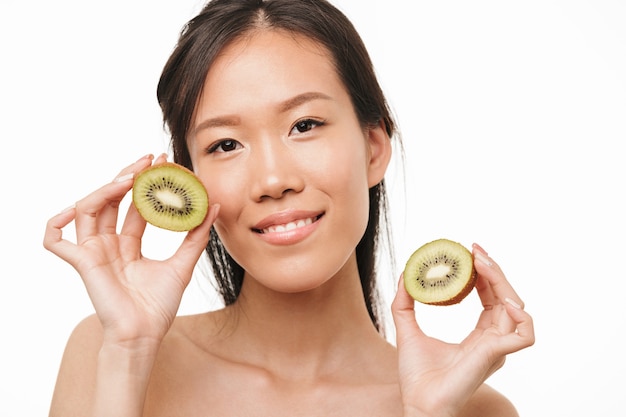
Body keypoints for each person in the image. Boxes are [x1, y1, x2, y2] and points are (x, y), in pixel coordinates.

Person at [43, 0, 535, 416]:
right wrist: (128, 355)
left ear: (373, 149)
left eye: (304, 125)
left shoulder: (470, 406)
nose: (273, 180)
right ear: (190, 181)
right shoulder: (109, 352)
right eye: (226, 144)